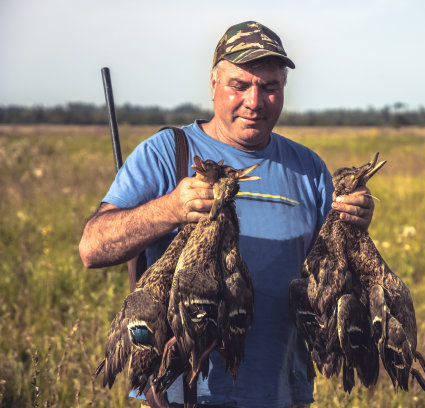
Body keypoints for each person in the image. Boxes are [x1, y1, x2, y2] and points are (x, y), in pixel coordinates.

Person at [79, 21, 375, 408]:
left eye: (270, 87)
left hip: (283, 394)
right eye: (240, 84)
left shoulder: (308, 168)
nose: (255, 101)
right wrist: (169, 209)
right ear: (214, 84)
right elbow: (93, 247)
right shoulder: (168, 153)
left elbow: (333, 278)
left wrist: (353, 229)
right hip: (186, 395)